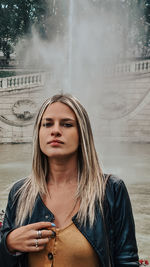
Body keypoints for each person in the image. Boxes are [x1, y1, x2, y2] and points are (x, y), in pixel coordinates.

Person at [0, 93, 139, 267]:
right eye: (47, 124)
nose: (55, 130)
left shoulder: (111, 191)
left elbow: (127, 261)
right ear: (38, 134)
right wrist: (8, 244)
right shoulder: (20, 193)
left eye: (67, 124)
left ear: (82, 134)